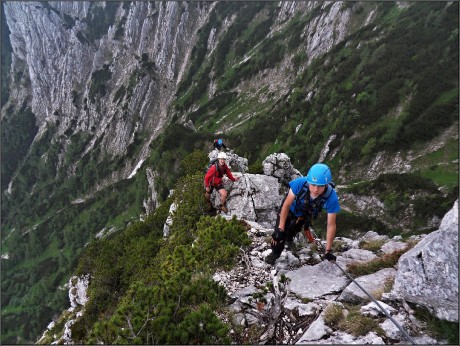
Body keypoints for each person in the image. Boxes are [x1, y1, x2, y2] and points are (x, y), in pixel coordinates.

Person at [265, 163, 340, 265]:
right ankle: (275, 253)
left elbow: (331, 225)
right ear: (308, 182)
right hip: (289, 210)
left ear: (326, 185)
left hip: (304, 215)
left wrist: (328, 251)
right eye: (313, 185)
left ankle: (289, 239)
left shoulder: (332, 197)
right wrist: (280, 228)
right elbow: (286, 205)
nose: (315, 190)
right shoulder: (300, 183)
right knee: (278, 236)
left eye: (320, 186)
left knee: (294, 230)